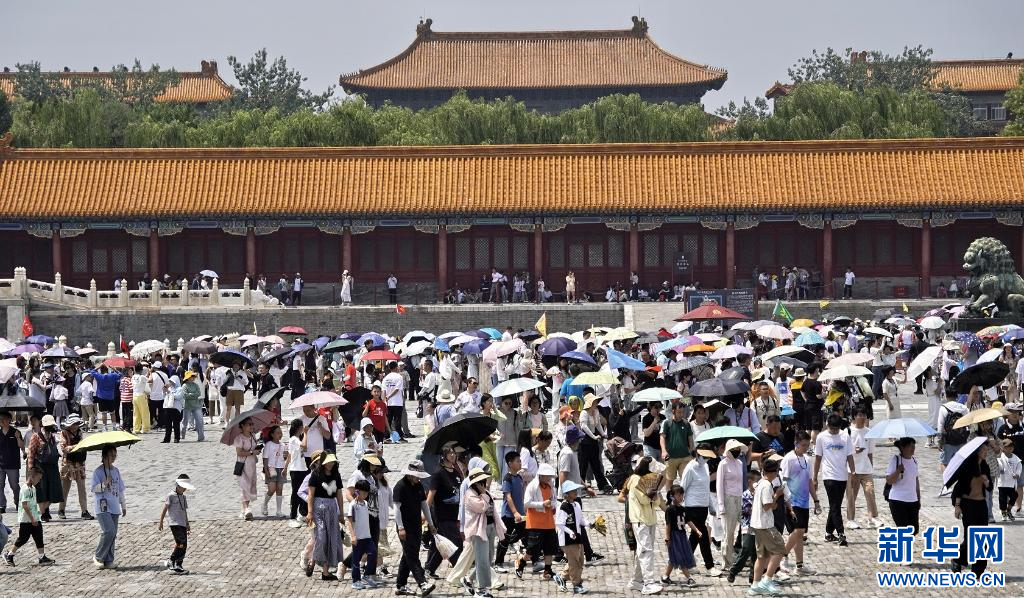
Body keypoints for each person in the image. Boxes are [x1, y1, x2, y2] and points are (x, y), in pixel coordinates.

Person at [393, 459, 436, 596]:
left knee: (408, 555)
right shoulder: (400, 486)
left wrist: (430, 523)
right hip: (404, 527)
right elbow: (396, 510)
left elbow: (424, 506)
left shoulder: (419, 486)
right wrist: (401, 528)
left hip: (416, 525)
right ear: (410, 474)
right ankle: (422, 583)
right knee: (412, 556)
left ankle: (401, 585)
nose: (418, 478)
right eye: (416, 476)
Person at [951, 440, 992, 578]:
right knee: (970, 537)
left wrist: (987, 482)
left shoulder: (985, 466)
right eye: (983, 451)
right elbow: (959, 487)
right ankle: (958, 559)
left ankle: (978, 570)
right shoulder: (968, 466)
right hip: (968, 505)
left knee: (983, 538)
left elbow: (990, 487)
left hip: (981, 505)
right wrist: (957, 506)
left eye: (987, 451)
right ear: (977, 452)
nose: (986, 453)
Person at [813, 414, 855, 546]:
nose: (834, 431)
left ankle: (828, 533)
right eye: (832, 429)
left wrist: (853, 472)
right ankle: (841, 533)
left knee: (835, 505)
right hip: (828, 476)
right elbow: (818, 458)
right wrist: (815, 477)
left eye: (836, 429)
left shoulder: (845, 436)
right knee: (835, 505)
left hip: (842, 476)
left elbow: (850, 456)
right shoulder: (821, 437)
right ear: (828, 425)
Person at [779, 432, 818, 575]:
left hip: (804, 502)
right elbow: (783, 481)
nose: (806, 448)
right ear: (796, 443)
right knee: (798, 531)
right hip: (791, 502)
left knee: (799, 535)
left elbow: (809, 481)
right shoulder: (788, 459)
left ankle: (799, 566)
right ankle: (780, 557)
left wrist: (816, 500)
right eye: (803, 445)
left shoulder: (807, 459)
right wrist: (786, 500)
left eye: (807, 445)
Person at [464, 467, 505, 597]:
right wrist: (484, 494)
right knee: (482, 560)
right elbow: (481, 507)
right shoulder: (470, 494)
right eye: (482, 480)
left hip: (490, 527)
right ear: (477, 482)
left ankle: (468, 579)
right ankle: (481, 590)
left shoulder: (483, 492)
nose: (485, 482)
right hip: (479, 531)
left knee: (488, 559)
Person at [626, 456, 664, 595]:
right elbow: (644, 500)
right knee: (646, 551)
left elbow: (656, 501)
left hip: (650, 519)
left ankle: (636, 580)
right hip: (640, 520)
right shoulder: (635, 480)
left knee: (642, 550)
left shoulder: (647, 480)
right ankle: (648, 583)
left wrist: (654, 494)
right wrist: (652, 495)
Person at [306, 452, 346, 582]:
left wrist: (341, 513)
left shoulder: (336, 475)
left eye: (333, 462)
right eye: (329, 462)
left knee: (331, 539)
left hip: (332, 508)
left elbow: (339, 495)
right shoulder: (316, 474)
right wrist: (310, 512)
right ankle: (313, 560)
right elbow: (310, 495)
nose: (331, 464)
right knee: (321, 537)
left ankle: (325, 572)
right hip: (318, 508)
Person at [749, 458, 786, 596]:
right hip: (765, 525)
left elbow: (767, 505)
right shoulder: (766, 485)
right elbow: (766, 506)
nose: (777, 475)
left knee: (762, 556)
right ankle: (767, 579)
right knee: (780, 549)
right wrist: (777, 495)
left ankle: (755, 585)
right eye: (776, 472)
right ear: (773, 472)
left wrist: (773, 502)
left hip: (757, 524)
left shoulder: (760, 483)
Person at [2, 466, 53, 567]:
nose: (39, 480)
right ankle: (9, 554)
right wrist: (32, 518)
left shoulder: (33, 488)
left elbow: (33, 503)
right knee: (23, 538)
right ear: (32, 477)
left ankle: (42, 557)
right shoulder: (25, 489)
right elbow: (25, 505)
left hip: (34, 518)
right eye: (38, 478)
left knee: (39, 537)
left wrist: (37, 514)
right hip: (26, 519)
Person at [426, 445, 465, 577]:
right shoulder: (438, 474)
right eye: (449, 453)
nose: (453, 455)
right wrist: (425, 515)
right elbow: (431, 496)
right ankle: (459, 571)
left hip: (455, 514)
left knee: (440, 543)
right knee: (456, 542)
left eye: (454, 453)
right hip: (442, 515)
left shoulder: (456, 472)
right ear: (444, 456)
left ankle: (429, 568)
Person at [680, 444, 718, 576]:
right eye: (704, 456)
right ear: (697, 454)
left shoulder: (705, 467)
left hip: (703, 507)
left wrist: (711, 506)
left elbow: (706, 488)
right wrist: (679, 507)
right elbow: (682, 488)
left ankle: (685, 563)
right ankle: (710, 566)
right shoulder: (690, 468)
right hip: (692, 507)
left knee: (695, 536)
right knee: (703, 536)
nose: (706, 459)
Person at [517, 463, 558, 579]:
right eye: (547, 476)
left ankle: (548, 570)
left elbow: (554, 500)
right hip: (535, 523)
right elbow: (526, 503)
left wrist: (553, 505)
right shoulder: (532, 486)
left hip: (549, 522)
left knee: (549, 548)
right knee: (532, 549)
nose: (549, 478)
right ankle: (521, 562)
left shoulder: (550, 486)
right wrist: (542, 504)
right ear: (541, 475)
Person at [92, 446, 126, 569]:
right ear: (104, 456)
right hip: (102, 508)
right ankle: (98, 556)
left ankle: (109, 559)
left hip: (114, 506)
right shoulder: (98, 472)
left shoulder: (116, 471)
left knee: (113, 534)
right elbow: (94, 489)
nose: (113, 457)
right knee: (109, 531)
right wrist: (105, 482)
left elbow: (120, 490)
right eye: (111, 455)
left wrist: (123, 505)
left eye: (115, 455)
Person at [846, 408, 881, 529]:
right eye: (859, 415)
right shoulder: (848, 431)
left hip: (866, 470)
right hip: (852, 470)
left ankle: (872, 517)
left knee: (870, 493)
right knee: (851, 495)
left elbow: (870, 452)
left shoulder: (869, 432)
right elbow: (845, 451)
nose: (862, 417)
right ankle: (850, 519)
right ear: (854, 417)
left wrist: (871, 467)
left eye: (864, 415)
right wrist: (854, 450)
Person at [553, 480, 589, 594]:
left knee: (580, 561)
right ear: (567, 494)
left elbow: (580, 519)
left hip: (577, 537)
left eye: (576, 490)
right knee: (575, 563)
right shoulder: (563, 507)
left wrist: (590, 524)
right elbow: (559, 523)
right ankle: (577, 585)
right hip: (567, 540)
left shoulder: (576, 504)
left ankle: (562, 577)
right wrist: (570, 532)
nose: (576, 492)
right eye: (573, 490)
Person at [717, 439, 746, 570]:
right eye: (734, 449)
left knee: (745, 528)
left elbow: (741, 483)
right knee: (729, 532)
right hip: (728, 498)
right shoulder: (723, 464)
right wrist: (721, 505)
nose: (736, 451)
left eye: (738, 449)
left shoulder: (740, 463)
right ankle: (727, 561)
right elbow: (719, 486)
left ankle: (743, 557)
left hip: (739, 497)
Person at [662, 484, 698, 587]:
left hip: (682, 536)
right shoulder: (670, 510)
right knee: (680, 557)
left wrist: (696, 530)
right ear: (672, 496)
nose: (681, 497)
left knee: (674, 558)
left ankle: (665, 577)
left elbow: (688, 521)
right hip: (674, 536)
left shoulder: (683, 509)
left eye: (682, 495)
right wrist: (667, 537)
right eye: (678, 495)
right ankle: (689, 578)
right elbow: (668, 525)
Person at [27, 415, 61, 522]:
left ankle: (43, 511)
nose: (50, 427)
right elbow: (31, 453)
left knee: (53, 490)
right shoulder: (36, 436)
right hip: (40, 467)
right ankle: (43, 513)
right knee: (41, 491)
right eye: (48, 425)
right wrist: (31, 468)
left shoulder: (53, 436)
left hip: (52, 467)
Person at [158, 474, 194, 574]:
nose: (185, 489)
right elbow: (165, 509)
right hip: (174, 523)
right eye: (183, 487)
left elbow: (184, 511)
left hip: (182, 523)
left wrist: (187, 524)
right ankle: (171, 560)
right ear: (178, 486)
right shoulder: (171, 496)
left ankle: (178, 564)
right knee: (181, 543)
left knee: (184, 545)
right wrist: (161, 522)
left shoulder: (183, 497)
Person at [885, 437, 921, 535]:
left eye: (914, 446)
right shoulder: (895, 460)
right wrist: (898, 471)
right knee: (903, 529)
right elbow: (889, 481)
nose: (913, 448)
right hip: (897, 500)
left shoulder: (914, 461)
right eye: (910, 446)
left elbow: (916, 481)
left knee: (914, 530)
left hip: (912, 500)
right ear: (902, 447)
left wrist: (918, 498)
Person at [57, 415, 91, 520]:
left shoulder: (80, 433)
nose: (76, 426)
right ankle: (61, 510)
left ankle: (84, 511)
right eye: (74, 424)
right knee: (64, 489)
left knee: (82, 488)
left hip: (79, 464)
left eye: (77, 424)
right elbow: (64, 448)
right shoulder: (63, 433)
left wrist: (77, 447)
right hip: (68, 464)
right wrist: (76, 447)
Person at [233, 418, 261, 521]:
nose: (251, 426)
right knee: (244, 486)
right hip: (243, 465)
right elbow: (239, 452)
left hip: (252, 464)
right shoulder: (239, 438)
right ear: (243, 426)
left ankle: (244, 509)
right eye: (249, 424)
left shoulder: (253, 436)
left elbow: (253, 448)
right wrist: (252, 452)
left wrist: (257, 448)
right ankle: (246, 509)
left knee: (250, 486)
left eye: (252, 424)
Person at [660, 401, 693, 488]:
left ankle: (684, 495)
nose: (681, 414)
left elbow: (690, 438)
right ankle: (669, 495)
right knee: (670, 479)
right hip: (671, 457)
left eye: (682, 412)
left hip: (685, 457)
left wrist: (691, 451)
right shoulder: (667, 423)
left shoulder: (686, 423)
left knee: (685, 478)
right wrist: (663, 451)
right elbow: (662, 437)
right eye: (679, 412)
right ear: (673, 411)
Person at [0, 411, 24, 515]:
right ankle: (2, 505)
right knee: (0, 485)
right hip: (1, 464)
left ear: (9, 420)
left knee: (14, 485)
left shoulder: (16, 432)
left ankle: (18, 502)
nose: (1, 421)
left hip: (13, 464)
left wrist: (18, 437)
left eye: (4, 419)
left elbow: (22, 446)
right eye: (0, 419)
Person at [262, 425, 288, 517]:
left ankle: (279, 510)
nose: (280, 434)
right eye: (278, 433)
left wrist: (286, 456)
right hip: (271, 468)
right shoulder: (268, 445)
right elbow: (265, 458)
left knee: (280, 489)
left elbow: (284, 458)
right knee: (271, 489)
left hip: (281, 468)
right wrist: (266, 471)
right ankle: (264, 505)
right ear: (272, 434)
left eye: (281, 433)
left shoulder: (283, 445)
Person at [287, 418, 308, 528]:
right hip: (296, 470)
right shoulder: (294, 439)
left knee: (303, 492)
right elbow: (304, 446)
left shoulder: (297, 439)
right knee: (295, 493)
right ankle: (292, 516)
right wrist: (306, 433)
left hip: (302, 469)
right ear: (300, 428)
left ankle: (302, 513)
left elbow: (301, 450)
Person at [996, 438, 1021, 521]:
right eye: (1008, 446)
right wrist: (1000, 467)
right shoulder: (1000, 457)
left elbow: (1019, 466)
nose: (1010, 448)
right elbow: (999, 468)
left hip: (1012, 483)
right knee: (1002, 499)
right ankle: (1003, 512)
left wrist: (1017, 474)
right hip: (1002, 483)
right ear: (1003, 448)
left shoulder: (1016, 458)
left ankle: (1009, 510)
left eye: (1012, 446)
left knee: (1015, 495)